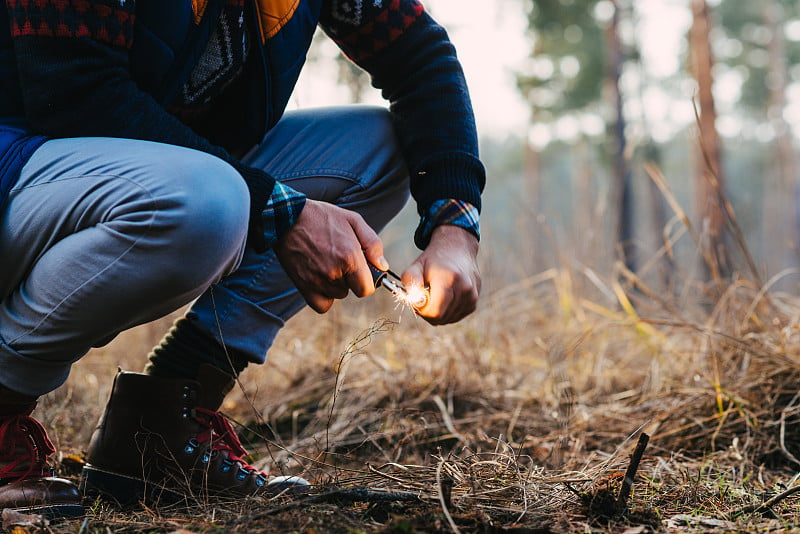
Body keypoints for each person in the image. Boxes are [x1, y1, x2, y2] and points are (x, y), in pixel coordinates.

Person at [0, 0, 484, 518]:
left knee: (379, 151)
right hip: (23, 163)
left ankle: (159, 431)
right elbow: (75, 93)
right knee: (211, 201)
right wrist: (283, 211)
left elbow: (420, 57)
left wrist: (456, 226)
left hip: (156, 171)